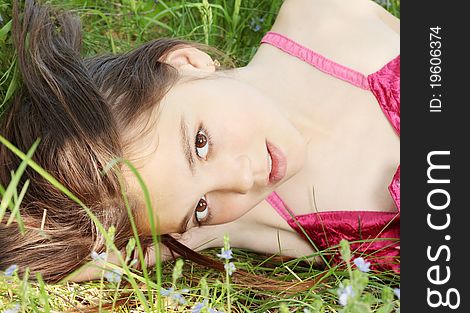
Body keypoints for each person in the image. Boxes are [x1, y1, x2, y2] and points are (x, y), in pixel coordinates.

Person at [0, 0, 399, 283]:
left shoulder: (322, 17)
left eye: (201, 144)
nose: (242, 181)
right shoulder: (252, 218)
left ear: (185, 63)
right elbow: (93, 260)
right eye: (202, 207)